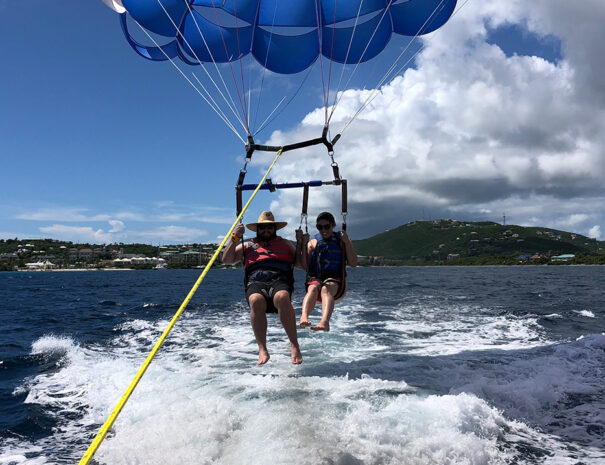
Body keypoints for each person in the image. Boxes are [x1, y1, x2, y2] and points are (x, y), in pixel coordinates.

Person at [222, 211, 308, 365]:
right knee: (255, 300)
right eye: (263, 228)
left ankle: (294, 344)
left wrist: (301, 243)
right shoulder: (247, 245)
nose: (266, 230)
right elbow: (227, 260)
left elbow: (302, 265)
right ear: (257, 229)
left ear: (275, 228)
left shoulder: (286, 244)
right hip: (256, 280)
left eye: (269, 227)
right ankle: (262, 348)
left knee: (282, 297)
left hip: (280, 278)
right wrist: (235, 238)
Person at [299, 212, 358, 332]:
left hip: (335, 279)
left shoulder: (342, 241)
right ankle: (304, 316)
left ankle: (325, 322)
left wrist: (347, 242)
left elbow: (353, 263)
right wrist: (303, 244)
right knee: (313, 288)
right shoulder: (313, 243)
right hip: (316, 277)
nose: (323, 230)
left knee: (326, 289)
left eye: (327, 226)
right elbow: (304, 266)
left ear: (333, 225)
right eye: (320, 227)